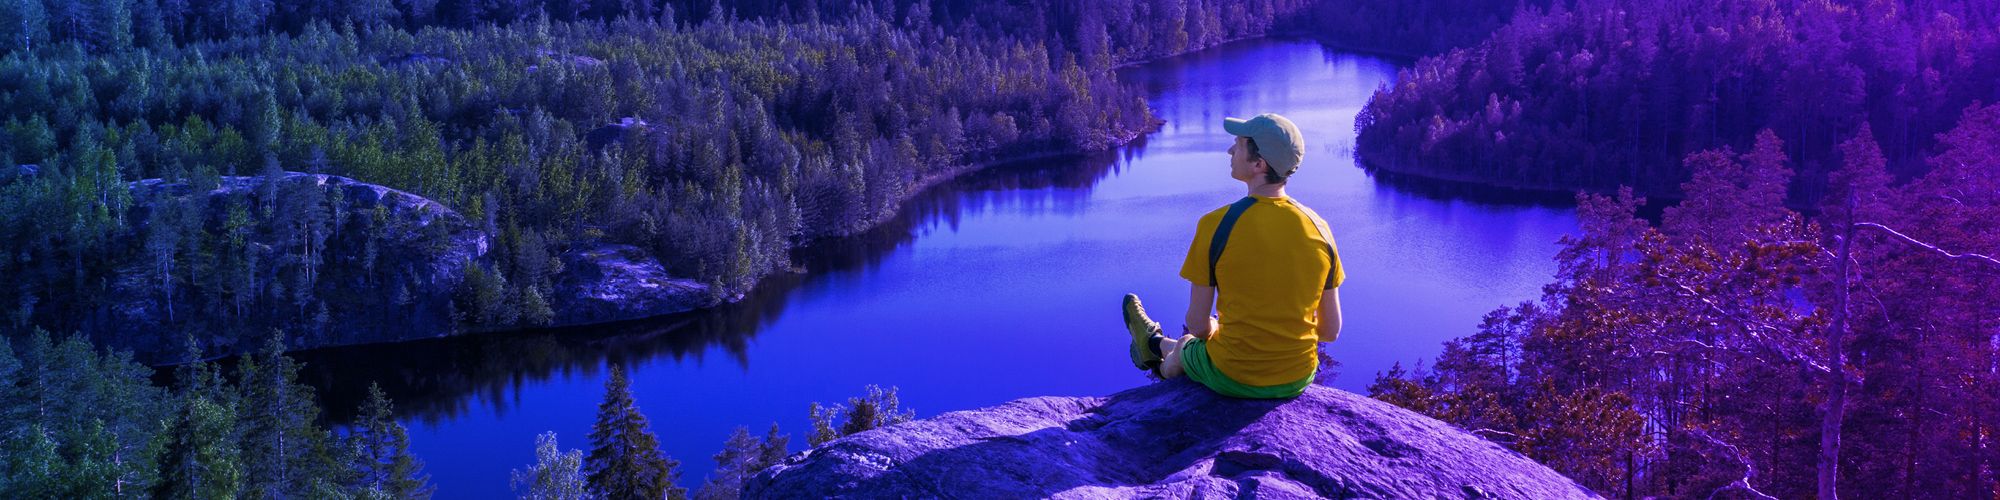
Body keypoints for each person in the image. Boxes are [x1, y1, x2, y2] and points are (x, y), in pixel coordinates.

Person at [1123, 113, 1344, 399]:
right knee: (1193, 344)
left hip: (1233, 374)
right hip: (1298, 376)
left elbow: (1199, 326)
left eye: (1238, 145)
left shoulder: (1217, 225)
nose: (1229, 150)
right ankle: (1153, 342)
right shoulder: (1320, 228)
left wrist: (1216, 327)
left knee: (1188, 345)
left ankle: (1153, 355)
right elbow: (1330, 331)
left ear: (1258, 164)